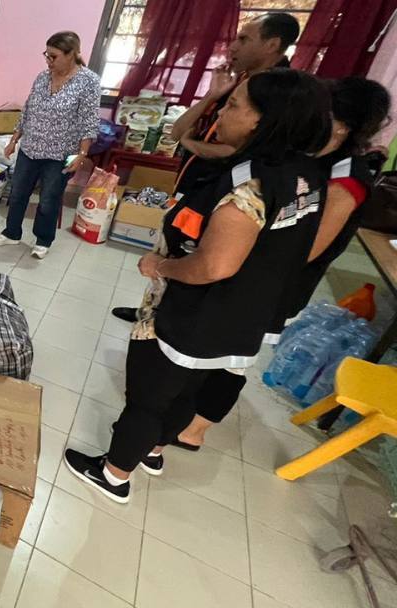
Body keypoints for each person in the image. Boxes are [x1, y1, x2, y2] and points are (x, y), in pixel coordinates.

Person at [64, 68, 332, 503]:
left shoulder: (251, 186)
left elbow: (215, 265)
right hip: (244, 314)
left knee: (148, 396)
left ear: (263, 120)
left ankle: (114, 474)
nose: (222, 113)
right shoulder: (307, 176)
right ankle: (153, 451)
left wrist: (161, 266)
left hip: (197, 313)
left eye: (234, 106)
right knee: (188, 391)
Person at [169, 76, 392, 451]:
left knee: (232, 361)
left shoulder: (346, 179)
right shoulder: (310, 157)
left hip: (274, 286)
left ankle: (195, 430)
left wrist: (235, 247)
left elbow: (305, 248)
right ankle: (179, 416)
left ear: (343, 126)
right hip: (248, 273)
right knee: (213, 351)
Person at [111, 12, 300, 323]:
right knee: (171, 250)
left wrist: (192, 144)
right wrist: (214, 95)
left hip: (223, 196)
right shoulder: (236, 84)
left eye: (244, 39)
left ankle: (166, 322)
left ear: (272, 44)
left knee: (195, 260)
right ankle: (152, 310)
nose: (232, 46)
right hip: (194, 184)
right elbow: (177, 132)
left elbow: (241, 151)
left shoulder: (279, 93)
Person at [0, 31, 100, 260]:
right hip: (30, 148)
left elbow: (89, 121)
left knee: (49, 200)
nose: (48, 61)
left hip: (61, 154)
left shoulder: (88, 81)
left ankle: (43, 240)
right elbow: (28, 111)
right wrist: (13, 140)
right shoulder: (42, 77)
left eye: (54, 56)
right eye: (46, 55)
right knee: (18, 194)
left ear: (71, 54)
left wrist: (82, 154)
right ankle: (12, 233)